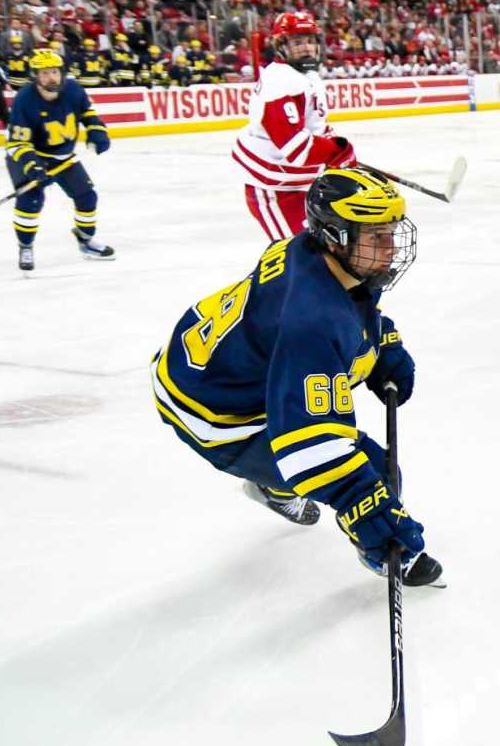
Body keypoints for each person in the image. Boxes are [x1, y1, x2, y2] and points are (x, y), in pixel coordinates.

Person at [150, 167, 442, 586]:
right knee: (378, 475)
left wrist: (378, 343)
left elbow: (345, 308)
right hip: (215, 417)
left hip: (209, 369)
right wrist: (373, 518)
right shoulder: (313, 321)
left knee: (357, 460)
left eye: (392, 232)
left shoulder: (310, 252)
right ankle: (275, 485)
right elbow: (312, 450)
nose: (391, 249)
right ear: (337, 236)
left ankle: (277, 485)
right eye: (377, 237)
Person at [233, 11, 357, 240]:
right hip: (275, 189)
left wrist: (340, 153)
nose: (306, 48)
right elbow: (296, 149)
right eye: (298, 42)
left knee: (330, 249)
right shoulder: (281, 82)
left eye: (310, 41)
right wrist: (337, 151)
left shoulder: (306, 75)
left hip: (301, 182)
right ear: (281, 45)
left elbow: (317, 126)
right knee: (300, 255)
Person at [4, 48, 114, 271]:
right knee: (30, 202)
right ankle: (25, 245)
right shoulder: (24, 100)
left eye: (54, 71)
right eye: (44, 73)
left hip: (63, 157)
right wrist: (32, 165)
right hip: (29, 156)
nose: (50, 77)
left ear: (62, 72)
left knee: (87, 196)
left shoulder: (73, 89)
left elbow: (87, 112)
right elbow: (17, 143)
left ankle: (85, 240)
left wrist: (97, 131)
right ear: (35, 76)